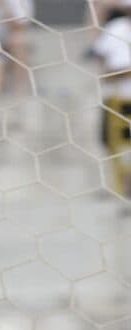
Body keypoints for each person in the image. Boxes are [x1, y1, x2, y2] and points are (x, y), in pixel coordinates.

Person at [91, 5, 131, 205]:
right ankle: (121, 186)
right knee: (110, 141)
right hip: (116, 99)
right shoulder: (116, 29)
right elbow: (104, 62)